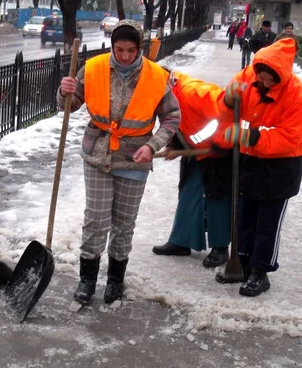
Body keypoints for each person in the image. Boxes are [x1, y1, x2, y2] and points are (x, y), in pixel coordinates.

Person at [57, 19, 180, 305]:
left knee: (124, 224)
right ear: (112, 46)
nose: (124, 56)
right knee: (96, 220)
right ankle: (87, 280)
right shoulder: (94, 67)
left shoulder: (156, 76)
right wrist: (66, 92)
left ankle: (115, 280)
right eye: (119, 49)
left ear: (140, 48)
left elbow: (172, 118)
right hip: (98, 154)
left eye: (131, 50)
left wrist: (152, 146)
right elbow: (71, 105)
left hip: (135, 157)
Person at [213, 38, 302, 297]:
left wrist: (252, 137)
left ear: (281, 76)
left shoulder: (297, 95)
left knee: (267, 222)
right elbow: (224, 110)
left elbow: (292, 137)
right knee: (245, 216)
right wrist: (227, 102)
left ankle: (261, 271)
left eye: (271, 80)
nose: (266, 83)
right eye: (263, 78)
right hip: (249, 161)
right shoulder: (246, 77)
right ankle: (242, 263)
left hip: (281, 167)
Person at [151, 71, 231, 269]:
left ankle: (220, 247)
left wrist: (216, 143)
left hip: (219, 150)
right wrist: (176, 146)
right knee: (188, 191)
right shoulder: (165, 96)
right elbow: (177, 122)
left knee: (216, 197)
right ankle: (182, 241)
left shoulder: (194, 92)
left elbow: (224, 113)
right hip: (197, 150)